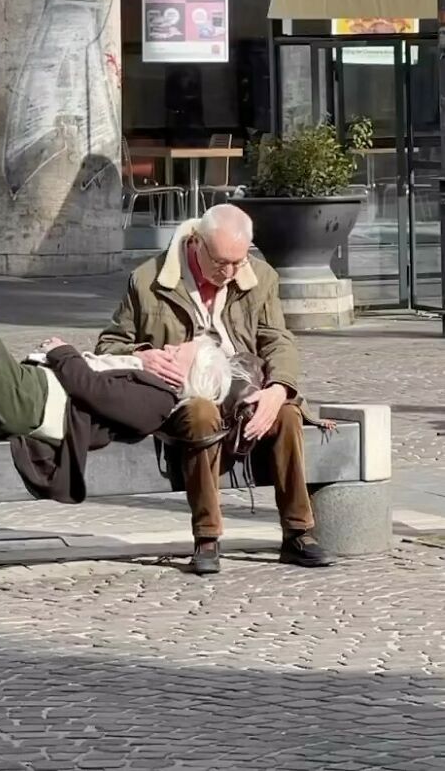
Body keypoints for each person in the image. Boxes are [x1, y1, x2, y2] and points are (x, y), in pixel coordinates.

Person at [95, 204, 334, 575]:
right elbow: (109, 345)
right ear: (196, 244)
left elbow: (277, 340)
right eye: (222, 263)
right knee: (201, 412)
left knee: (286, 413)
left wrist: (279, 388)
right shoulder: (148, 281)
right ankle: (207, 536)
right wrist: (146, 356)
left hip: (244, 389)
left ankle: (298, 533)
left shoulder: (259, 277)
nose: (231, 272)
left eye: (239, 262)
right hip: (181, 395)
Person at [0, 294, 234, 505]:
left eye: (178, 352)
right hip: (27, 394)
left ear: (187, 374)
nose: (168, 347)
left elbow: (93, 391)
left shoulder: (158, 399)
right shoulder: (149, 381)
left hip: (30, 401)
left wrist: (63, 351)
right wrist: (135, 358)